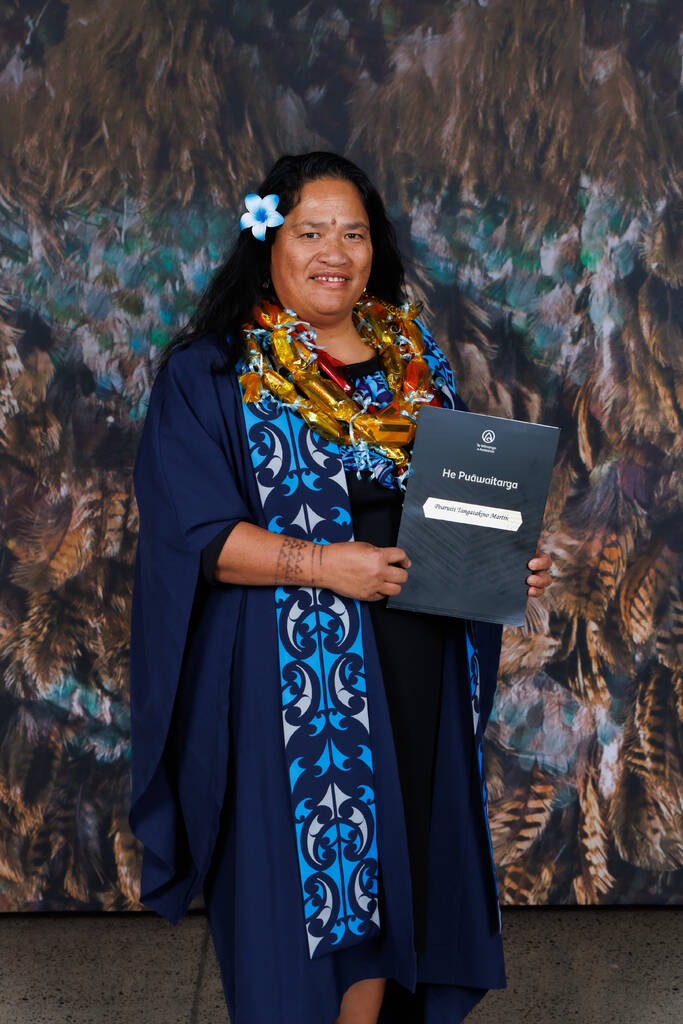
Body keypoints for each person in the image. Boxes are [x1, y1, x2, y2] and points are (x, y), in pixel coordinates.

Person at [128, 151, 552, 1024]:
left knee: (394, 888)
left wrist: (503, 555)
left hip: (417, 662)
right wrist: (326, 566)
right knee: (306, 898)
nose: (335, 251)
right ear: (266, 241)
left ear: (374, 245)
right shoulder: (212, 372)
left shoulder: (410, 355)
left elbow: (446, 502)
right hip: (292, 683)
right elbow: (200, 539)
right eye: (310, 231)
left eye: (352, 232)